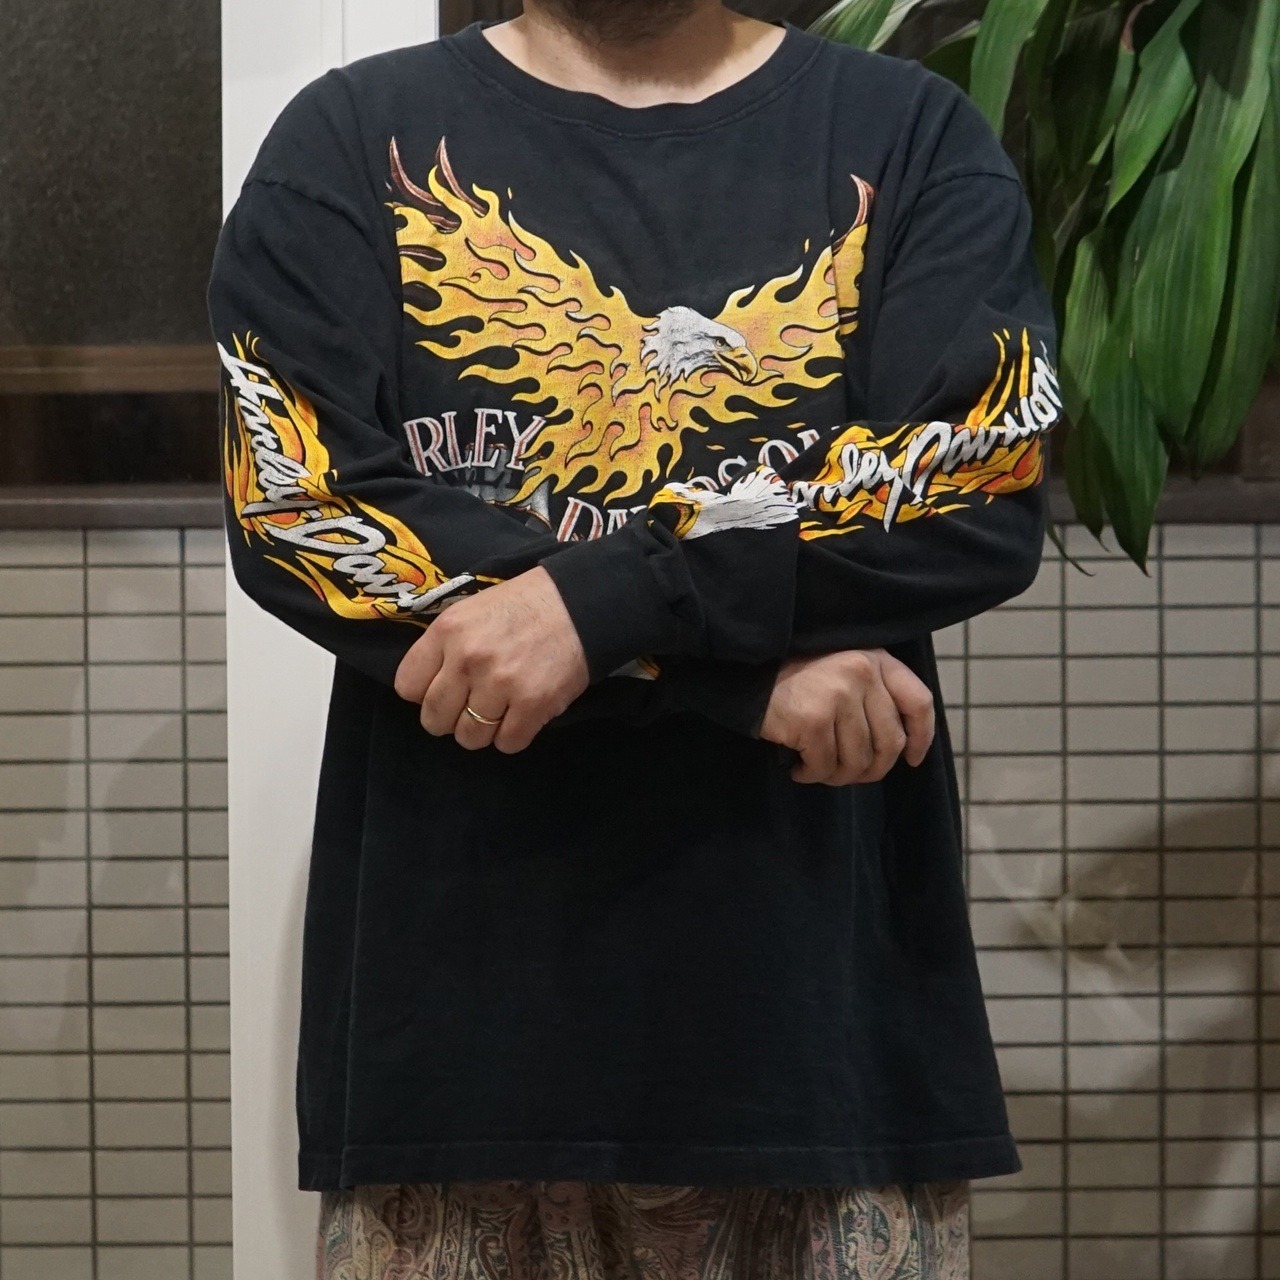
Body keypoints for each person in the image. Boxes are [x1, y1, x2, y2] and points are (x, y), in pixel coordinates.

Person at [207, 0, 1062, 1275]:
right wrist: (737, 681)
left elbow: (969, 489)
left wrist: (596, 606)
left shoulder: (908, 136)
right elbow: (302, 512)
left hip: (821, 1050)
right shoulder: (350, 141)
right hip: (463, 1060)